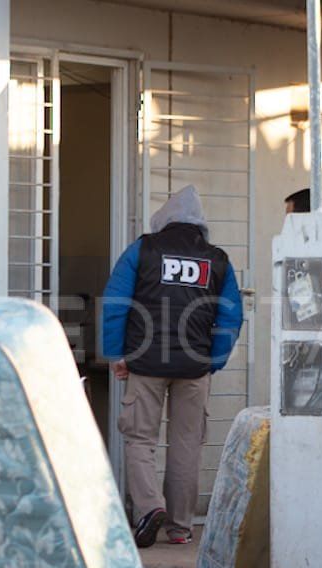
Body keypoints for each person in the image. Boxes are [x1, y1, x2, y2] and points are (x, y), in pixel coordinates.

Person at [100, 185, 243, 548]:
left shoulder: (143, 249)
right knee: (186, 444)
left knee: (139, 438)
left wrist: (117, 354)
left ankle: (149, 508)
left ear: (163, 219)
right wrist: (214, 360)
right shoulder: (218, 260)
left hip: (145, 362)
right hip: (195, 366)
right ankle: (180, 526)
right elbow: (231, 317)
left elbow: (116, 302)